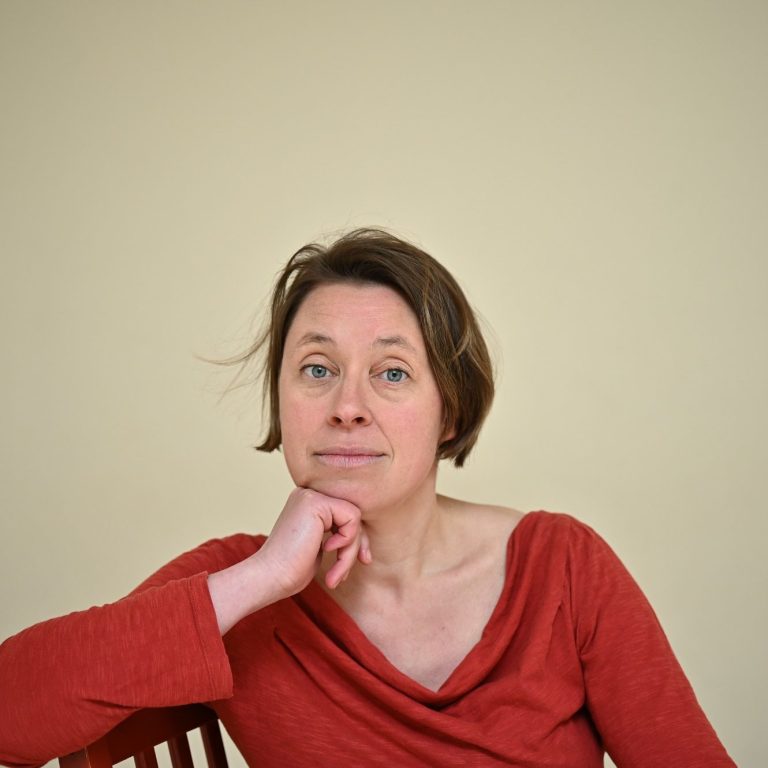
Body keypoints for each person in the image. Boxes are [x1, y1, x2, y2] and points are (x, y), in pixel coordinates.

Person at [0, 229, 735, 767]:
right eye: (317, 370)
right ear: (281, 402)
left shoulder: (564, 567)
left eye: (391, 373)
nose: (347, 407)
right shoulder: (242, 588)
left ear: (450, 411)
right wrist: (260, 579)